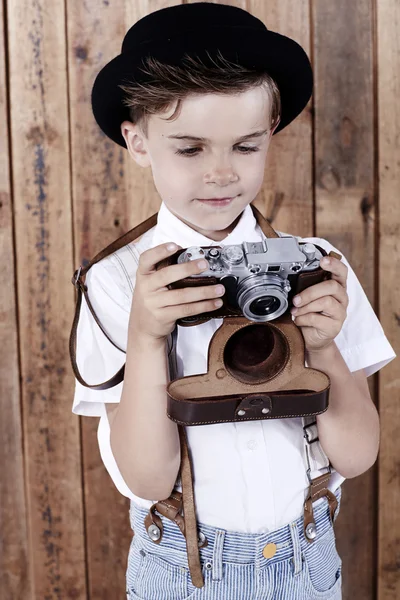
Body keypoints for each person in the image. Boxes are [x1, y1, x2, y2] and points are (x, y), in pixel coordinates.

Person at [71, 3, 396, 599]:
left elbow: (356, 455)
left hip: (306, 559)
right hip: (182, 568)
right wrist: (147, 336)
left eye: (245, 147)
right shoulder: (118, 281)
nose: (222, 174)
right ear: (137, 141)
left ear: (270, 134)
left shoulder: (314, 265)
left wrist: (321, 348)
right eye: (190, 150)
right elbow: (148, 477)